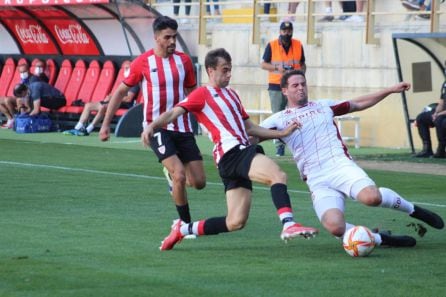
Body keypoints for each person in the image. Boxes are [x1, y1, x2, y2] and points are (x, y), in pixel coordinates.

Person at [143, 48, 318, 251]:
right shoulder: (202, 94)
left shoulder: (232, 95)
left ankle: (183, 230)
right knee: (277, 175)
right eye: (224, 70)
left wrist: (281, 133)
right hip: (234, 152)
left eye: (230, 70)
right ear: (210, 70)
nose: (229, 74)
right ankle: (288, 224)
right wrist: (152, 126)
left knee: (235, 222)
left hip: (231, 159)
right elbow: (174, 112)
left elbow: (250, 127)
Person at [260, 70, 444, 250]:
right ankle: (381, 239)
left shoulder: (324, 106)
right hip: (316, 179)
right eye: (295, 85)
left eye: (303, 84)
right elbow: (251, 135)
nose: (301, 88)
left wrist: (389, 90)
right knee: (335, 227)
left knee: (371, 197)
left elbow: (358, 103)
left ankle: (413, 210)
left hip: (340, 165)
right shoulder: (278, 119)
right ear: (284, 90)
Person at [99, 16, 206, 231]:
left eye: (174, 37)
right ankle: (185, 225)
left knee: (199, 183)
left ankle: (172, 177)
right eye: (167, 37)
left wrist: (207, 120)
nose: (172, 41)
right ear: (156, 38)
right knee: (180, 175)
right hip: (156, 128)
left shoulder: (184, 61)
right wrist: (105, 124)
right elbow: (120, 91)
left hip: (183, 127)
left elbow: (192, 93)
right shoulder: (143, 62)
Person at [260, 21, 306, 156]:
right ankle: (279, 146)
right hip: (276, 85)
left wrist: (301, 75)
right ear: (280, 32)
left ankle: (300, 144)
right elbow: (263, 64)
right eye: (284, 31)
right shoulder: (272, 45)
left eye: (289, 31)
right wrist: (276, 68)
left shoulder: (298, 44)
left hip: (294, 85)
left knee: (298, 113)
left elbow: (303, 64)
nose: (287, 33)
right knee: (278, 116)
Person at [63, 61, 139, 136]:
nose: (126, 70)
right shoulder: (124, 81)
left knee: (103, 107)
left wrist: (112, 98)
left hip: (123, 104)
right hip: (113, 101)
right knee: (88, 105)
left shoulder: (133, 82)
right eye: (125, 68)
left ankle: (88, 130)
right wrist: (110, 98)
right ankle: (77, 128)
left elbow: (128, 98)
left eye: (127, 68)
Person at [414, 70, 446, 158]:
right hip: (443, 113)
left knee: (440, 121)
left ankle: (441, 150)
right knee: (422, 118)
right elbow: (442, 103)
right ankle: (427, 149)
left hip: (443, 116)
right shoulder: (445, 84)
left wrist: (439, 115)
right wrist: (436, 112)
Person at [0, 62, 42, 128]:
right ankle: (10, 119)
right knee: (1, 100)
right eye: (21, 72)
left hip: (30, 100)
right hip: (21, 98)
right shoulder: (23, 79)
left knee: (7, 100)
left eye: (24, 71)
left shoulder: (33, 78)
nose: (22, 74)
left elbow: (31, 93)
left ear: (28, 70)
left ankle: (16, 120)